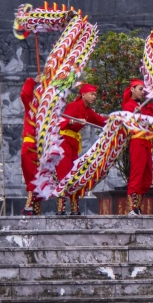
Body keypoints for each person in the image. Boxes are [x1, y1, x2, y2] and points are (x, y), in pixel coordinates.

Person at [57, 83, 106, 215]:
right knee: (64, 174)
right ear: (83, 94)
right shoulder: (73, 106)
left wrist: (116, 120)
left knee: (74, 174)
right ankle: (61, 209)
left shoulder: (88, 111)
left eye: (95, 94)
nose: (94, 97)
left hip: (73, 144)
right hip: (64, 144)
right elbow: (62, 121)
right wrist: (73, 121)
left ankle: (74, 208)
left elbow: (101, 121)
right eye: (92, 94)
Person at [123, 79, 153, 216]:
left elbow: (150, 118)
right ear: (132, 89)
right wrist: (135, 114)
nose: (143, 92)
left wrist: (151, 104)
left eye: (144, 90)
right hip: (137, 141)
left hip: (147, 143)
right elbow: (128, 121)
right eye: (140, 89)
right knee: (137, 173)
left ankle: (137, 206)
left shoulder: (142, 106)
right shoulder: (128, 105)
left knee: (147, 176)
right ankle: (131, 207)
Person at [19, 77, 40, 216]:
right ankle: (32, 209)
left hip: (42, 149)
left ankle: (31, 208)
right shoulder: (32, 106)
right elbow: (24, 94)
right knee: (32, 178)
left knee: (37, 179)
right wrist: (32, 81)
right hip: (30, 146)